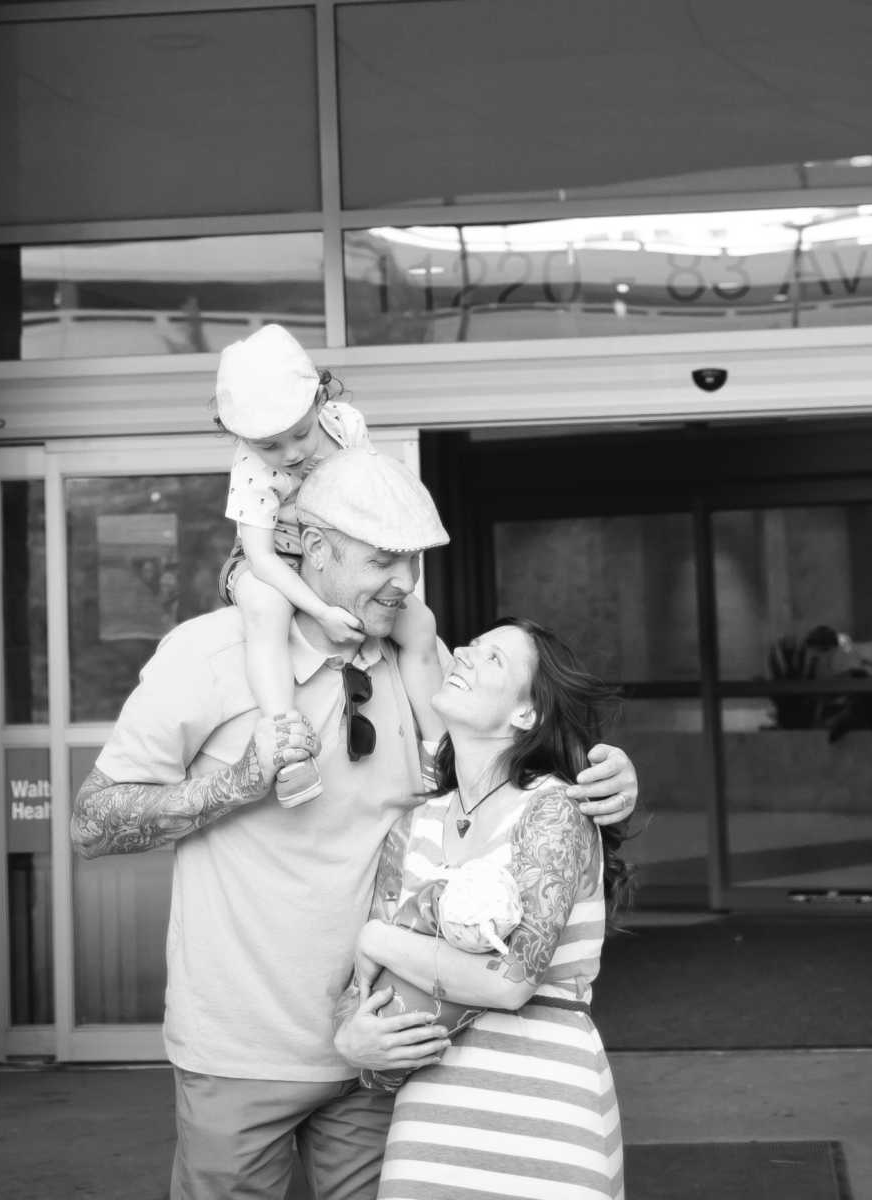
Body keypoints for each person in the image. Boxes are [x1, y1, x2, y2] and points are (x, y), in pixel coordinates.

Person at [70, 445, 638, 1200]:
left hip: (392, 1046)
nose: (404, 584)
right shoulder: (208, 654)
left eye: (414, 563)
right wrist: (237, 785)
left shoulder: (421, 659)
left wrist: (607, 778)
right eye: (383, 560)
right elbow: (92, 822)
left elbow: (500, 777)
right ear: (313, 548)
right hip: (244, 1050)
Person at [337, 615, 630, 1199]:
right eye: (469, 647)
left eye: (494, 658)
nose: (466, 655)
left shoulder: (554, 811)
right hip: (431, 1123)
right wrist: (352, 1037)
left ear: (527, 714)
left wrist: (378, 939)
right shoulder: (411, 827)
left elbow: (509, 983)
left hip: (545, 1113)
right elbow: (367, 991)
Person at [213, 322, 435, 808]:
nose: (290, 454)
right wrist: (321, 610)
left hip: (338, 551)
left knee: (420, 623)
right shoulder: (250, 467)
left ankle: (438, 748)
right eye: (269, 445)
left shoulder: (346, 425)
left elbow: (371, 497)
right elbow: (261, 557)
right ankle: (287, 741)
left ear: (319, 400)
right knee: (266, 609)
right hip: (272, 560)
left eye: (299, 434)